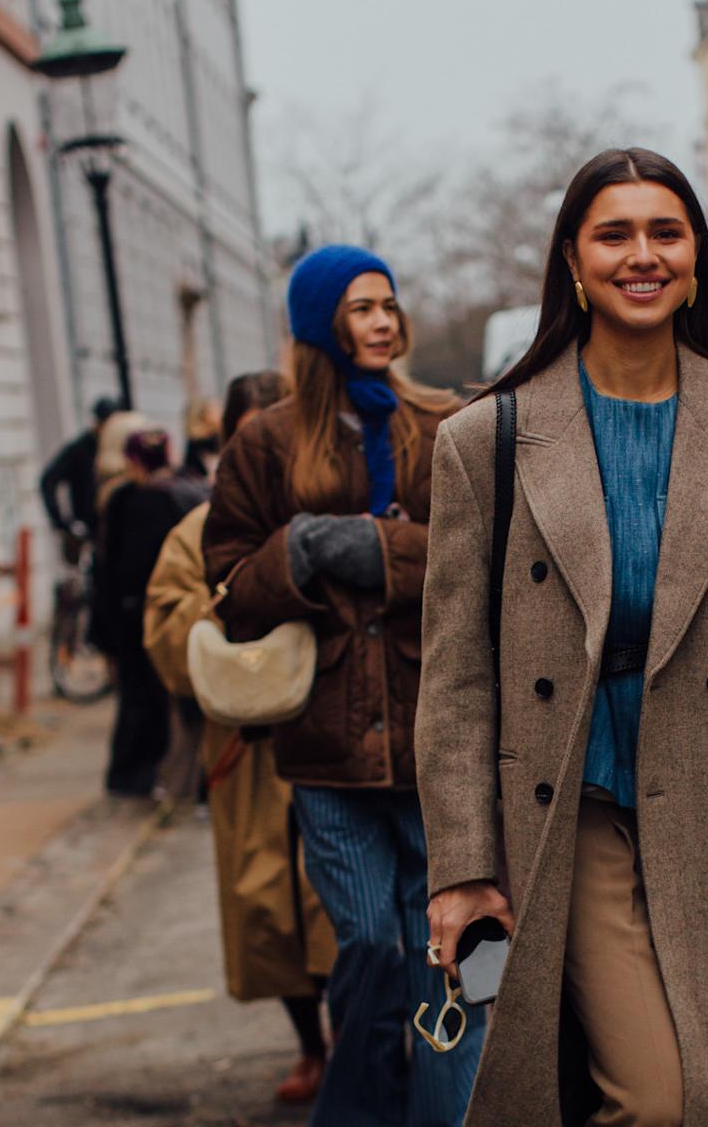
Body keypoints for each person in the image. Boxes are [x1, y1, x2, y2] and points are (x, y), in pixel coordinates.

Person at [416, 149, 708, 1127]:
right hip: (575, 811)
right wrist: (462, 871)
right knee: (658, 1101)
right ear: (574, 264)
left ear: (696, 261)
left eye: (666, 232)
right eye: (615, 234)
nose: (644, 255)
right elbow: (458, 677)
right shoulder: (485, 442)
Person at [203, 245, 475, 1126]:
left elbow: (490, 561)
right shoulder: (265, 440)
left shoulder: (443, 425)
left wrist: (380, 550)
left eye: (390, 304)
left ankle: (447, 1112)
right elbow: (229, 586)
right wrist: (298, 551)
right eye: (363, 307)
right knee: (366, 942)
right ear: (322, 323)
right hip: (325, 743)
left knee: (452, 948)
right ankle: (361, 1113)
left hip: (438, 731)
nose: (385, 321)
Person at [143, 370, 337, 1105]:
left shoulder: (329, 508)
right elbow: (167, 625)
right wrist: (235, 613)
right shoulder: (194, 532)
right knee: (268, 906)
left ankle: (357, 1034)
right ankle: (310, 1046)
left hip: (330, 737)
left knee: (340, 904)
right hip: (247, 751)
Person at [99, 428, 208, 796]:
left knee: (141, 699)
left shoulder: (134, 501)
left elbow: (122, 571)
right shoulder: (189, 490)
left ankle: (136, 778)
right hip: (180, 612)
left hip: (142, 618)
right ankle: (181, 779)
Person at [39, 396, 121, 549]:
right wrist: (62, 523)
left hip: (116, 528)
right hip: (90, 529)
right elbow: (48, 480)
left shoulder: (119, 446)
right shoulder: (80, 449)